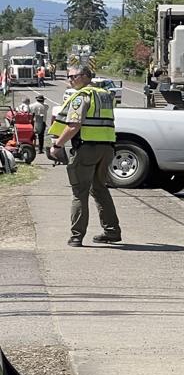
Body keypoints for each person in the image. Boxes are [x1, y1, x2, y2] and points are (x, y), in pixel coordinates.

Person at [51, 64, 121, 247]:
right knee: (100, 189)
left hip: (87, 148)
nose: (70, 80)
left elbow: (74, 125)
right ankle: (112, 232)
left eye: (73, 76)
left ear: (84, 76)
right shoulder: (105, 95)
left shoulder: (82, 97)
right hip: (106, 148)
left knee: (79, 193)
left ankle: (76, 237)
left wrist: (57, 145)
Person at [29, 95, 50, 165]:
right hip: (42, 121)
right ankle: (40, 149)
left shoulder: (32, 106)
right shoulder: (45, 106)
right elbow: (46, 107)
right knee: (41, 136)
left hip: (34, 121)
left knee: (32, 135)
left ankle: (31, 147)